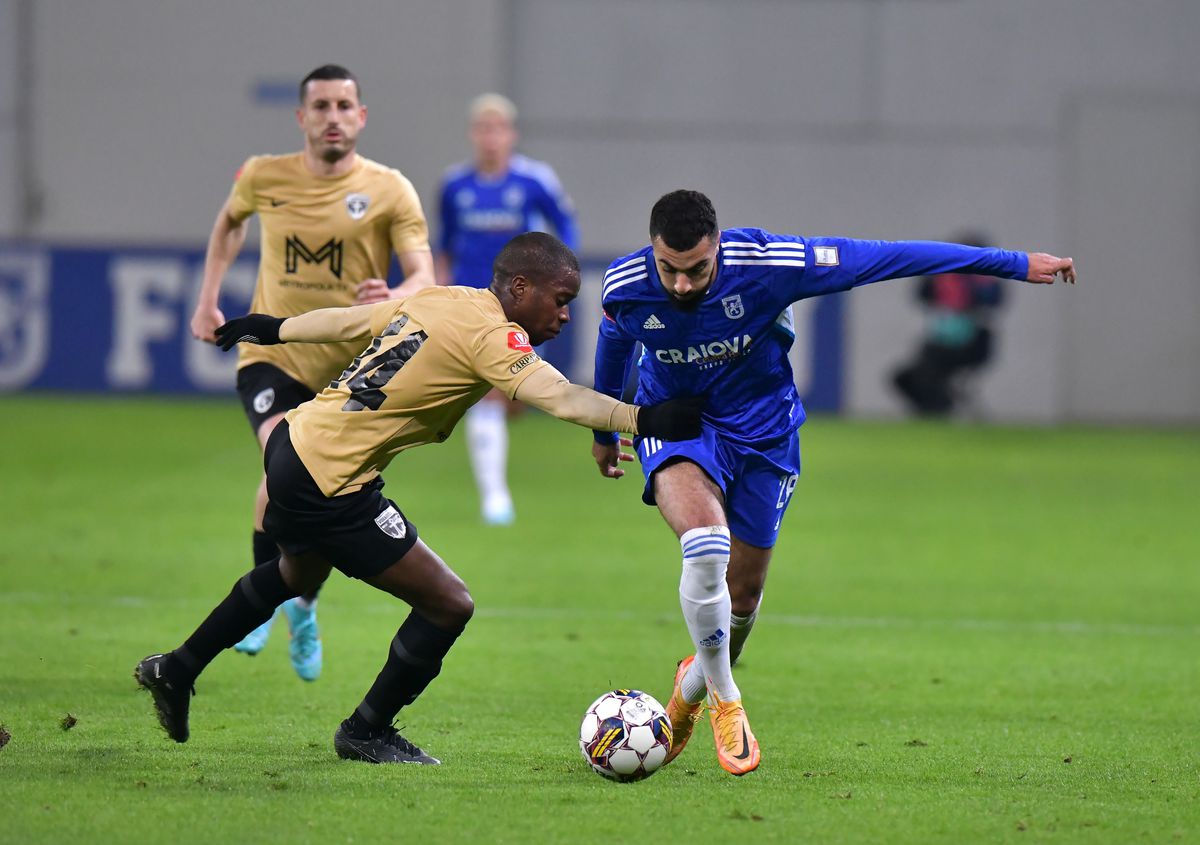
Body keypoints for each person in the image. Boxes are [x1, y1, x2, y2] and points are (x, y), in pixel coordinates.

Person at [135, 233, 704, 765]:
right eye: (560, 299)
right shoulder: (494, 337)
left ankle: (177, 669)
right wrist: (641, 417)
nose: (564, 314)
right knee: (449, 603)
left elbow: (353, 321)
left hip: (294, 445)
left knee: (295, 572)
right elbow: (557, 395)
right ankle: (366, 730)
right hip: (332, 481)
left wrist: (276, 328)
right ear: (520, 289)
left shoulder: (444, 299)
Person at [590, 190, 1075, 776]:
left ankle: (691, 690)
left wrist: (1015, 264)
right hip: (680, 425)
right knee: (705, 542)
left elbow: (894, 257)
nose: (683, 285)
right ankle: (726, 697)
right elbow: (616, 336)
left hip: (765, 433)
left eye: (697, 270)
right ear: (653, 250)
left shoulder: (772, 267)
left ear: (716, 247)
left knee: (741, 598)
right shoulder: (626, 284)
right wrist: (606, 423)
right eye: (669, 269)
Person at [189, 64, 435, 680]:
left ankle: (301, 603)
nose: (332, 116)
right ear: (302, 118)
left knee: (323, 487)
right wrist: (209, 299)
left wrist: (394, 290)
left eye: (343, 105)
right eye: (320, 106)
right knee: (281, 460)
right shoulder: (264, 174)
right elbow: (228, 223)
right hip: (272, 355)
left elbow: (424, 277)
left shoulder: (389, 189)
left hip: (350, 373)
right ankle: (266, 601)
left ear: (361, 117)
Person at [436, 93, 579, 526]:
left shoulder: (534, 181)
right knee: (491, 396)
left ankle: (493, 473)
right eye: (483, 128)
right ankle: (495, 498)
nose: (490, 137)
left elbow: (566, 225)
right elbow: (444, 243)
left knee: (511, 398)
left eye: (498, 128)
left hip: (520, 303)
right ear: (473, 134)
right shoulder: (455, 186)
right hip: (472, 301)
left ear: (511, 134)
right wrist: (438, 290)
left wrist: (557, 280)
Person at [891, 230, 1006, 416]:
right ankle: (934, 408)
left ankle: (938, 409)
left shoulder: (984, 280)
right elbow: (923, 294)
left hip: (971, 343)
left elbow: (992, 301)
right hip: (942, 340)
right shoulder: (943, 277)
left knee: (930, 370)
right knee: (907, 377)